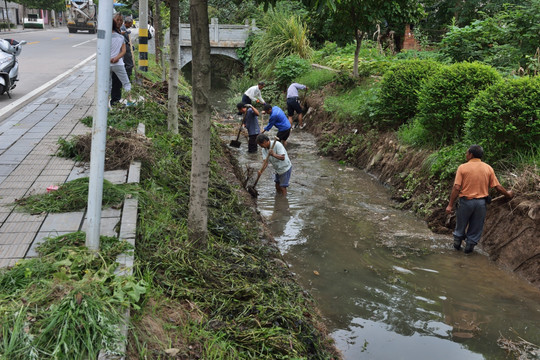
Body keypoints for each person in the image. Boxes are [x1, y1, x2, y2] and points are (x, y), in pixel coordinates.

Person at [445, 145, 514, 254]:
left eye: (467, 153)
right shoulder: (488, 168)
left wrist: (450, 205)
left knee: (460, 228)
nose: (466, 155)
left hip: (465, 202)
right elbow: (498, 187)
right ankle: (468, 252)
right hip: (481, 204)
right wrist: (508, 194)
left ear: (471, 155)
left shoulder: (462, 167)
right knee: (475, 230)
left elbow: (456, 187)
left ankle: (455, 252)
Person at [110, 14, 134, 107]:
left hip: (113, 62)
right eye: (117, 20)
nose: (119, 22)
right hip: (118, 63)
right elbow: (123, 51)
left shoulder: (119, 34)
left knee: (115, 83)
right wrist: (116, 58)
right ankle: (126, 101)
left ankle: (111, 104)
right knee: (125, 83)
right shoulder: (119, 36)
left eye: (121, 20)